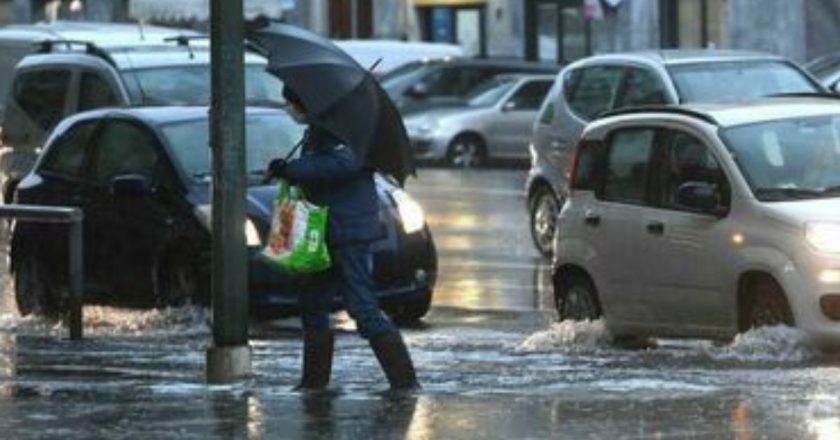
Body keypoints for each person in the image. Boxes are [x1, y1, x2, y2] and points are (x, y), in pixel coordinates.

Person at [267, 85, 419, 391]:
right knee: (312, 302)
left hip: (348, 230)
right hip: (324, 229)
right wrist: (289, 169)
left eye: (292, 103)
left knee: (362, 307)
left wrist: (294, 169)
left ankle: (405, 384)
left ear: (304, 103)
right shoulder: (319, 128)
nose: (290, 110)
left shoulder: (347, 129)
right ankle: (313, 382)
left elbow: (344, 164)